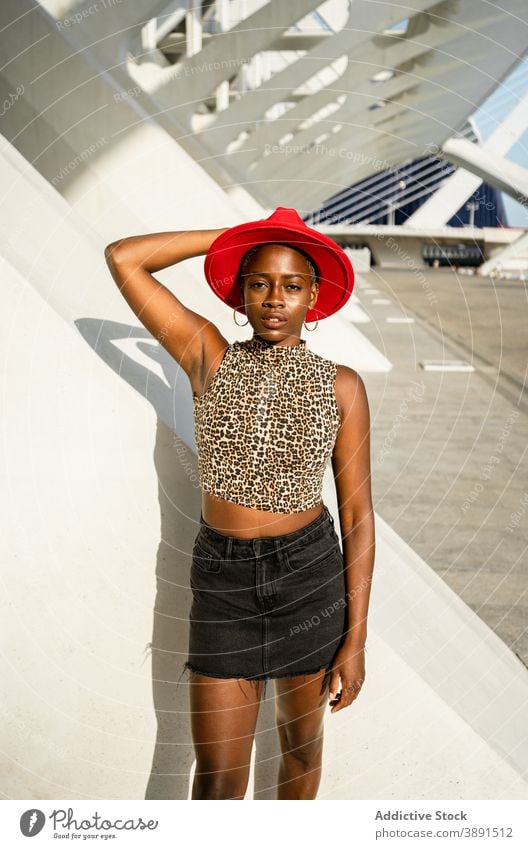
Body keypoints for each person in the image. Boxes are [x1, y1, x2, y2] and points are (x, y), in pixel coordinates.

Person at [104, 206, 375, 800]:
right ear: (240, 295)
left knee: (299, 758)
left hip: (309, 577)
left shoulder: (343, 385)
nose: (275, 298)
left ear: (314, 298)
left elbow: (357, 517)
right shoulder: (209, 356)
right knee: (220, 777)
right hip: (223, 580)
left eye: (292, 285)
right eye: (259, 283)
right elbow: (125, 258)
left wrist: (354, 641)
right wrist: (238, 239)